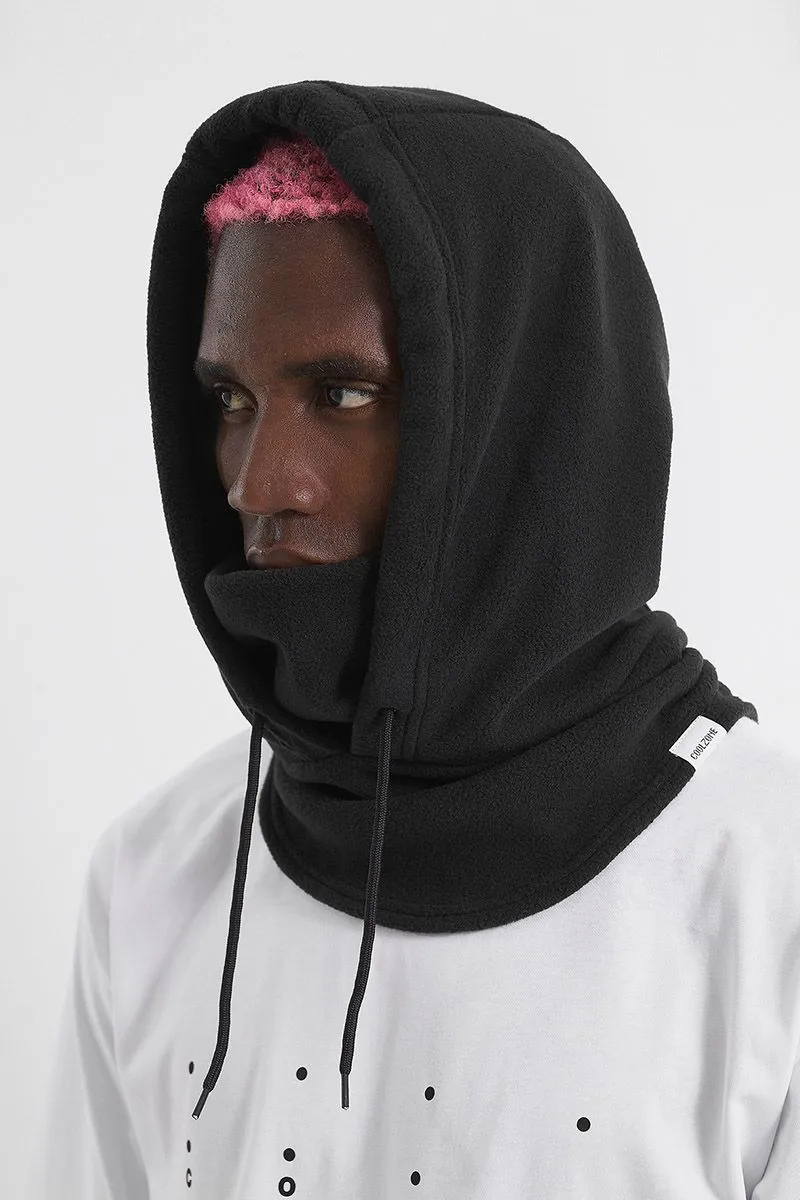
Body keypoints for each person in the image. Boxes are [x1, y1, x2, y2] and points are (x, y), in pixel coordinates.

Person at [27, 79, 800, 1199]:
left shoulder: (768, 896)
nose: (257, 485)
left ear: (528, 412)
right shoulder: (153, 879)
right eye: (231, 400)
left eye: (343, 396)